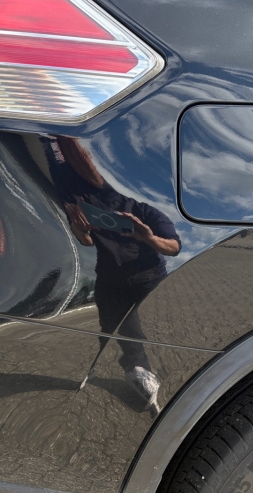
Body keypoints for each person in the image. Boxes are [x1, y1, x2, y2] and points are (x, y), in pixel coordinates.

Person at [44, 136, 181, 416]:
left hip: (147, 276)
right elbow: (86, 242)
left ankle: (149, 376)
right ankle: (116, 368)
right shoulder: (83, 203)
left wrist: (148, 237)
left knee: (143, 328)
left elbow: (174, 247)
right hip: (109, 276)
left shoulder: (146, 211)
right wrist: (80, 228)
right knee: (109, 325)